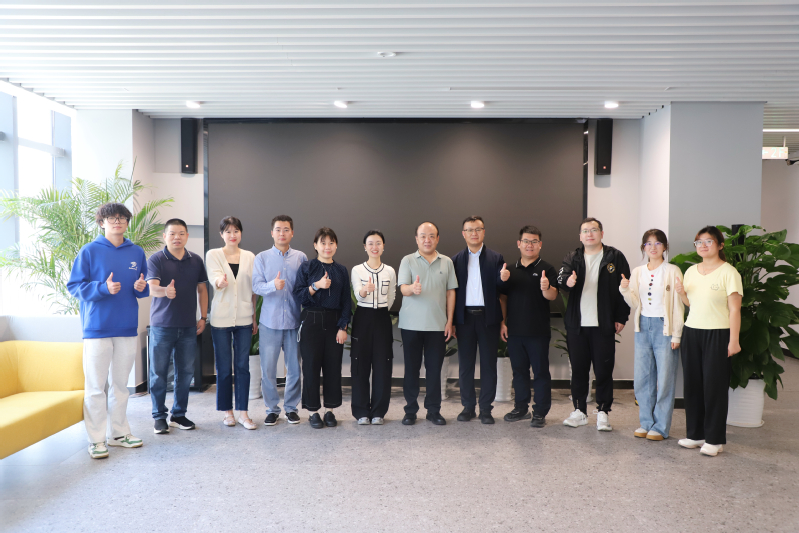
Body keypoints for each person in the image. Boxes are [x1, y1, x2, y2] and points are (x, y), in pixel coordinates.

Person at [67, 202, 149, 459]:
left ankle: (119, 434)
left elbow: (143, 287)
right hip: (97, 328)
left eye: (122, 218)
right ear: (101, 223)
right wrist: (103, 288)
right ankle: (96, 439)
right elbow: (74, 286)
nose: (117, 221)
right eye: (112, 218)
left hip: (127, 327)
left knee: (121, 386)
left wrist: (141, 288)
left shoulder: (136, 252)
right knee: (95, 386)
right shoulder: (89, 250)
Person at [557, 217, 630, 431]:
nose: (589, 234)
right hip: (577, 326)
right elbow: (561, 279)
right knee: (579, 370)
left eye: (594, 230)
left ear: (601, 233)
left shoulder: (614, 257)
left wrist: (621, 317)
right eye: (585, 231)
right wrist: (568, 282)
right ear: (580, 236)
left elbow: (626, 288)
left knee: (604, 370)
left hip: (603, 324)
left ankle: (603, 412)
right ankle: (579, 411)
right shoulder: (572, 257)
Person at [676, 226, 742, 457]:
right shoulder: (691, 271)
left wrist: (734, 341)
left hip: (718, 334)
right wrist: (681, 293)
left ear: (720, 245)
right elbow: (691, 303)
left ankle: (714, 439)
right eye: (699, 242)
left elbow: (735, 310)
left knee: (714, 387)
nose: (702, 246)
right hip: (692, 332)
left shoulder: (729, 272)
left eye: (708, 241)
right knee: (692, 385)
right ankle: (695, 435)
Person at [620, 229, 684, 441]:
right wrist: (624, 290)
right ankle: (646, 423)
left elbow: (678, 305)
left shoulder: (672, 270)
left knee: (665, 379)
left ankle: (661, 427)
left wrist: (676, 335)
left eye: (657, 243)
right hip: (643, 327)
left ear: (664, 247)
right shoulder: (638, 272)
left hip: (664, 328)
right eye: (648, 243)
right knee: (643, 378)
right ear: (643, 247)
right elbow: (634, 303)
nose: (653, 247)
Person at [146, 219, 209, 434]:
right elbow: (151, 288)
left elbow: (202, 290)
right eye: (172, 233)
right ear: (165, 236)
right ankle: (159, 416)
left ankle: (179, 414)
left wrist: (203, 317)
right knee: (159, 373)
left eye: (181, 233)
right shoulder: (156, 259)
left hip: (188, 326)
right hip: (162, 326)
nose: (177, 237)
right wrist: (165, 291)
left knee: (185, 373)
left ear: (187, 236)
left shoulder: (196, 260)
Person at [397, 221, 458, 426]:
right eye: (423, 236)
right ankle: (410, 411)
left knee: (434, 370)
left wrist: (450, 321)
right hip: (410, 325)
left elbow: (451, 293)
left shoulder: (446, 262)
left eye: (431, 236)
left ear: (437, 238)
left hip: (437, 326)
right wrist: (411, 289)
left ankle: (433, 411)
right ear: (416, 239)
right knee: (411, 370)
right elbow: (402, 288)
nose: (427, 240)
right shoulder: (407, 260)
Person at [500, 226, 558, 428]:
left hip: (538, 331)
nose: (529, 245)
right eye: (526, 241)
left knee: (540, 373)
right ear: (519, 244)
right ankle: (521, 408)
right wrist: (502, 323)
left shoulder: (547, 269)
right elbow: (503, 299)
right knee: (519, 372)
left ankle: (540, 412)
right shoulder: (509, 270)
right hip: (515, 331)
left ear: (540, 244)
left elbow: (553, 295)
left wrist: (546, 287)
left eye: (534, 241)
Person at [252, 215, 307, 426]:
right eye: (278, 229)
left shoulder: (300, 257)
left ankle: (291, 409)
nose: (282, 233)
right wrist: (272, 285)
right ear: (272, 233)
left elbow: (304, 288)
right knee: (268, 370)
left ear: (292, 233)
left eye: (286, 229)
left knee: (294, 369)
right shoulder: (262, 258)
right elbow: (256, 286)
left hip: (293, 321)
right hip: (269, 322)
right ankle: (272, 409)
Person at [293, 227, 351, 429]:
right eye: (323, 243)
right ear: (315, 245)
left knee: (333, 367)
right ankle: (313, 411)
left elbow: (346, 302)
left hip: (334, 322)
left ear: (336, 245)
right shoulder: (307, 267)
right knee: (310, 367)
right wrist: (316, 286)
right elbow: (299, 295)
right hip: (311, 320)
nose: (327, 246)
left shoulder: (341, 270)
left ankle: (330, 410)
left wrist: (343, 326)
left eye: (331, 243)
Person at [451, 216, 506, 424]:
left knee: (489, 365)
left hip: (488, 319)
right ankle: (467, 407)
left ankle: (485, 409)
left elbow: (502, 291)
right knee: (465, 366)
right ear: (463, 234)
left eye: (478, 229)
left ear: (484, 232)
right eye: (469, 230)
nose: (474, 233)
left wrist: (503, 321)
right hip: (464, 319)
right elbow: (451, 293)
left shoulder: (496, 258)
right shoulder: (455, 260)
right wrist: (452, 321)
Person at [206, 216, 258, 430]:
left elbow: (253, 290)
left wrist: (254, 317)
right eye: (228, 231)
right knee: (224, 367)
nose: (232, 235)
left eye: (236, 231)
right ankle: (227, 412)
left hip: (244, 318)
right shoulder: (213, 254)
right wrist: (220, 281)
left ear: (241, 233)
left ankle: (243, 413)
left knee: (243, 366)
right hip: (221, 318)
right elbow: (214, 278)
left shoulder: (249, 257)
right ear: (221, 234)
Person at [350, 230, 397, 425]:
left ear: (383, 246)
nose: (374, 247)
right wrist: (364, 291)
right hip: (362, 317)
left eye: (378, 243)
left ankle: (378, 412)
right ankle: (361, 411)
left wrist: (382, 309)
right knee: (360, 365)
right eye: (370, 243)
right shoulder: (357, 270)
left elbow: (392, 296)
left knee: (382, 365)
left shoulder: (390, 271)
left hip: (382, 318)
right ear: (365, 247)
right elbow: (357, 294)